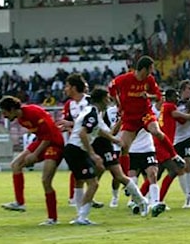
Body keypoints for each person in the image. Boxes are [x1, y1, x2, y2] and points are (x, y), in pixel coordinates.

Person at [63, 87, 148, 225]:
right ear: (103, 99)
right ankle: (82, 217)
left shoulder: (93, 112)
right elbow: (83, 133)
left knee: (83, 181)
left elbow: (99, 131)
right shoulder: (92, 113)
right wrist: (92, 154)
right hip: (77, 150)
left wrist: (114, 140)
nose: (109, 100)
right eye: (108, 97)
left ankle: (81, 216)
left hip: (75, 150)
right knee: (93, 183)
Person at [107, 55, 182, 188]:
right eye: (151, 68)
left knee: (156, 131)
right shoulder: (125, 79)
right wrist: (118, 104)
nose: (152, 71)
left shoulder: (149, 80)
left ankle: (175, 156)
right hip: (130, 117)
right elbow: (111, 88)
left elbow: (158, 96)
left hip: (145, 114)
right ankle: (127, 182)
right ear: (144, 68)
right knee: (124, 147)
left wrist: (149, 96)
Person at [0, 96, 64, 226]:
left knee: (46, 181)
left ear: (12, 109)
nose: (4, 116)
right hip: (41, 142)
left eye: (5, 112)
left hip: (54, 143)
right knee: (15, 164)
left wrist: (35, 154)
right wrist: (33, 152)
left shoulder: (33, 112)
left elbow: (49, 136)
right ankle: (19, 203)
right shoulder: (21, 118)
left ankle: (52, 219)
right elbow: (41, 136)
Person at [139, 88, 190, 210]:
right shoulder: (169, 106)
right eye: (175, 96)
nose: (177, 98)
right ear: (169, 97)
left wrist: (187, 112)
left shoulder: (166, 107)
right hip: (162, 145)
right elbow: (187, 117)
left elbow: (181, 120)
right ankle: (182, 199)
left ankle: (138, 198)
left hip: (161, 144)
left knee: (157, 174)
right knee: (177, 168)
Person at [58, 73, 104, 209]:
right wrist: (66, 126)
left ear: (73, 87)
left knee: (97, 171)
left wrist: (71, 125)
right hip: (79, 143)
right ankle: (81, 204)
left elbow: (92, 124)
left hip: (93, 141)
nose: (65, 89)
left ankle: (85, 200)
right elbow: (71, 123)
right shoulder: (69, 104)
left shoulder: (89, 102)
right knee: (81, 175)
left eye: (67, 86)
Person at [173, 80, 190, 208]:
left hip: (189, 137)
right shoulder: (175, 102)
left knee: (188, 164)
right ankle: (188, 195)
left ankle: (188, 198)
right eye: (189, 88)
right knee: (179, 169)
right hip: (176, 139)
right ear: (183, 89)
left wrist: (181, 115)